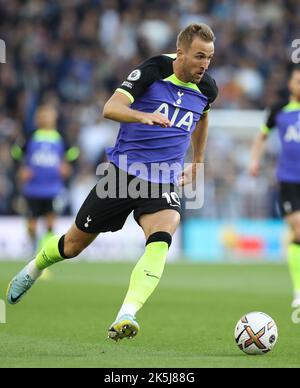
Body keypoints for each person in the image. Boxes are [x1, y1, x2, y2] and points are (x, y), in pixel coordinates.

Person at [7, 23, 218, 341]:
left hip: (163, 179)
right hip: (122, 176)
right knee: (73, 245)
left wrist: (198, 161)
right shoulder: (153, 70)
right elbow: (111, 108)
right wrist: (141, 116)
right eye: (199, 56)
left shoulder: (207, 88)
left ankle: (126, 314)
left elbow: (203, 117)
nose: (205, 64)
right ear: (181, 53)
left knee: (162, 236)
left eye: (210, 58)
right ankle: (35, 266)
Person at [249, 66, 300, 308]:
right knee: (298, 230)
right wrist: (254, 160)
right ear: (290, 83)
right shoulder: (278, 110)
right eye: (298, 80)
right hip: (289, 179)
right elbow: (261, 135)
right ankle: (298, 290)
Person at [11, 104, 79, 251]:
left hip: (53, 188)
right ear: (37, 118)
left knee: (50, 223)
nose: (44, 118)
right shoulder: (30, 136)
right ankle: (34, 249)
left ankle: (43, 253)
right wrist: (21, 169)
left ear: (54, 117)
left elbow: (73, 154)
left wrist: (67, 166)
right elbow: (16, 153)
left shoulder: (60, 137)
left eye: (47, 115)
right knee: (32, 225)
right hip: (32, 188)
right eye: (42, 115)